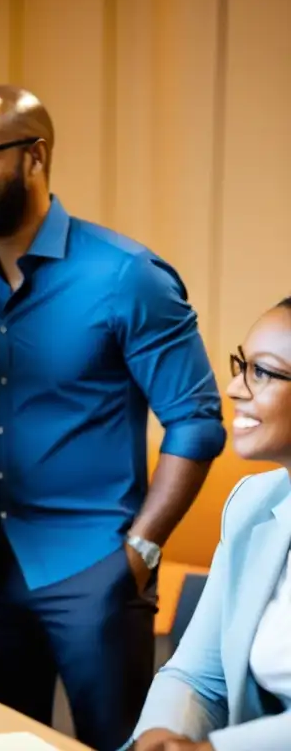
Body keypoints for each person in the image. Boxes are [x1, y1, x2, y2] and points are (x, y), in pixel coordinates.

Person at [0, 85, 226, 750]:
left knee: (118, 744)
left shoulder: (128, 276)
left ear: (34, 157)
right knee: (13, 742)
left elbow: (198, 422)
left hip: (98, 566)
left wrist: (140, 552)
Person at [129, 297, 291, 751]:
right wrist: (160, 737)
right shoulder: (252, 504)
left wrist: (211, 750)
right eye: (242, 365)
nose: (235, 388)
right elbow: (198, 674)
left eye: (263, 371)